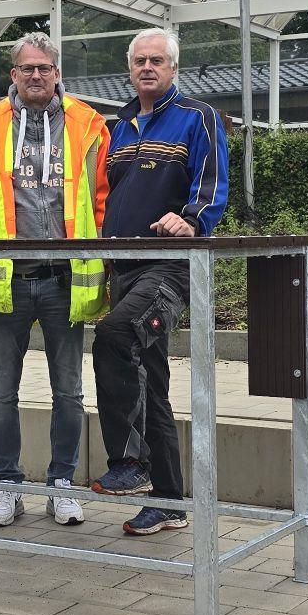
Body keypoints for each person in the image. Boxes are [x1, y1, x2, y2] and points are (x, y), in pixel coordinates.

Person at [0, 32, 111, 527]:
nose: (36, 75)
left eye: (44, 68)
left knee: (68, 391)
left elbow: (102, 199)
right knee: (1, 391)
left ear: (57, 73)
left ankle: (61, 483)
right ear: (13, 75)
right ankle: (7, 484)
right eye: (27, 69)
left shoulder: (88, 124)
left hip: (67, 279)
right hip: (8, 281)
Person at [90, 27, 228, 536]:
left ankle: (131, 462)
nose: (147, 68)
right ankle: (169, 503)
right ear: (130, 69)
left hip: (169, 265)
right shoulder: (119, 125)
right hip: (123, 266)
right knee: (152, 382)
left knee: (115, 335)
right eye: (139, 61)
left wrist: (191, 217)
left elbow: (212, 180)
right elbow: (106, 194)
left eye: (157, 61)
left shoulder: (198, 117)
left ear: (173, 68)